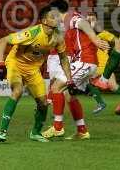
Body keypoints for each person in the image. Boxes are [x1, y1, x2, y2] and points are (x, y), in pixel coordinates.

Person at [0, 5, 78, 142]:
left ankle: (35, 132)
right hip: (16, 64)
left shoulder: (58, 38)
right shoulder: (32, 33)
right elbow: (3, 40)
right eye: (53, 16)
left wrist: (69, 80)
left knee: (43, 104)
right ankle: (2, 132)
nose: (57, 18)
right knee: (17, 90)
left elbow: (63, 58)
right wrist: (0, 63)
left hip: (33, 70)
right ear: (44, 21)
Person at [42, 11, 110, 140]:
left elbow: (83, 22)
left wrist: (96, 40)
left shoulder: (72, 18)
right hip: (85, 61)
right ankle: (82, 131)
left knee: (56, 87)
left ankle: (57, 127)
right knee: (69, 95)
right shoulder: (68, 24)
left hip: (84, 60)